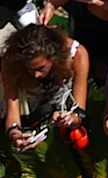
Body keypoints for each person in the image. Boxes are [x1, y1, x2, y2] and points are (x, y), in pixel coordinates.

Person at [1, 19, 86, 148]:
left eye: (41, 68)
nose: (36, 75)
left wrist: (69, 119)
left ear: (55, 56)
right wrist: (14, 133)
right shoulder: (10, 61)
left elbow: (79, 112)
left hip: (61, 103)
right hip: (29, 104)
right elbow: (12, 107)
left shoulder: (77, 55)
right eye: (30, 69)